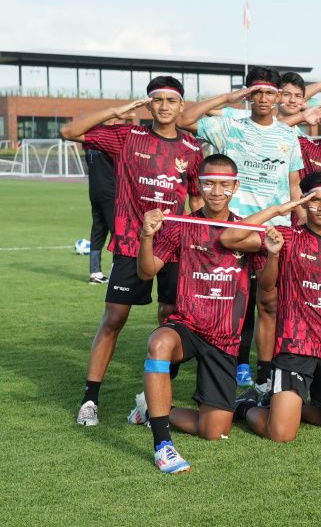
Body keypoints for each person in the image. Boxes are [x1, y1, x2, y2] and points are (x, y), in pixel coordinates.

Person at [60, 76, 203, 427]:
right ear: (148, 104)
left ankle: (150, 397)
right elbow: (70, 132)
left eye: (171, 100)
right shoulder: (128, 137)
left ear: (181, 106)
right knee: (115, 318)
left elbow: (197, 197)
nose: (165, 106)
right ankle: (89, 399)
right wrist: (115, 111)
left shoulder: (192, 149)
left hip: (174, 245)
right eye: (158, 100)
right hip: (129, 240)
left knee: (170, 316)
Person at [177, 66, 305, 394]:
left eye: (269, 93)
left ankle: (263, 375)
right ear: (247, 94)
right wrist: (228, 99)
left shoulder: (289, 135)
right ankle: (227, 365)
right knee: (232, 302)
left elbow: (293, 184)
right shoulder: (229, 125)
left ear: (279, 96)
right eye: (255, 92)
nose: (263, 99)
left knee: (269, 303)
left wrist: (299, 218)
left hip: (273, 231)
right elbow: (183, 119)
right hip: (232, 228)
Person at [127, 154, 257, 473]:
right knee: (159, 343)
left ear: (235, 186)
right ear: (198, 185)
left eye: (224, 184)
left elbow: (267, 286)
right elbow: (146, 272)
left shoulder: (248, 232)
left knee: (213, 430)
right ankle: (163, 445)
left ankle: (153, 408)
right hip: (188, 327)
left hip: (224, 338)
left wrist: (275, 252)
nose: (216, 190)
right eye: (209, 183)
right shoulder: (182, 225)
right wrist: (146, 234)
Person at [224, 171, 321, 442]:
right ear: (303, 203)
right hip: (295, 347)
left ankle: (287, 406)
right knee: (281, 434)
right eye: (315, 200)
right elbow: (229, 237)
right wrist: (278, 210)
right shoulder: (287, 237)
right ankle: (247, 406)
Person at [85, 109, 129, 284]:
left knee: (98, 231)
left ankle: (95, 273)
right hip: (111, 192)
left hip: (94, 191)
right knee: (118, 232)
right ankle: (117, 273)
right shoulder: (108, 142)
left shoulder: (88, 142)